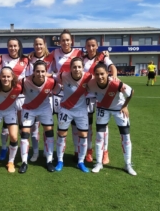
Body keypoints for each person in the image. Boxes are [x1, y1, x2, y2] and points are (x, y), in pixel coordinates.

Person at [87, 62, 136, 176]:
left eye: (102, 74)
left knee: (125, 136)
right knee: (99, 136)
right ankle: (99, 163)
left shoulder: (115, 83)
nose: (100, 77)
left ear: (107, 73)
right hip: (102, 109)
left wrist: (124, 106)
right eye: (97, 74)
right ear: (94, 75)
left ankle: (127, 164)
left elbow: (131, 92)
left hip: (119, 109)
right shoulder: (91, 83)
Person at [49, 29, 84, 164]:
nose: (65, 42)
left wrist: (104, 56)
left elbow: (90, 62)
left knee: (76, 126)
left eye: (67, 40)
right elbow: (45, 65)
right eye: (63, 40)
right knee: (61, 126)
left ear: (71, 41)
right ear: (60, 41)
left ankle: (76, 151)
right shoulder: (54, 53)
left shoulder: (79, 53)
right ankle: (59, 156)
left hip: (76, 94)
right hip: (59, 94)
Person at [20, 60, 61, 173]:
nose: (40, 74)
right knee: (25, 133)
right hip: (29, 109)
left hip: (44, 109)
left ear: (46, 71)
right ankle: (24, 162)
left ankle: (49, 160)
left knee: (49, 132)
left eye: (43, 71)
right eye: (37, 71)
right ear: (33, 72)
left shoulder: (51, 82)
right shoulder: (24, 81)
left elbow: (58, 90)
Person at [82, 37, 117, 165]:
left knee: (103, 125)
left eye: (93, 45)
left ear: (97, 46)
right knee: (89, 125)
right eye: (88, 46)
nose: (91, 48)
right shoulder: (83, 59)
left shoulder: (103, 57)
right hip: (88, 96)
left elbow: (112, 67)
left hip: (102, 94)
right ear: (85, 47)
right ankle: (89, 151)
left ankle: (105, 152)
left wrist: (114, 77)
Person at [55, 57, 92, 173]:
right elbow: (50, 77)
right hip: (66, 110)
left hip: (81, 111)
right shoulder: (63, 76)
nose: (77, 69)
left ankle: (81, 161)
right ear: (70, 68)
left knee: (83, 135)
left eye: (79, 67)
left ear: (83, 68)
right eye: (74, 67)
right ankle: (60, 160)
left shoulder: (89, 77)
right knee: (62, 134)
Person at [0, 38, 31, 161]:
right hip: (6, 98)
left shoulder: (26, 60)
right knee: (6, 126)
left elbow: (29, 77)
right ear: (7, 47)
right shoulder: (2, 58)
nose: (13, 48)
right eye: (10, 46)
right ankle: (4, 148)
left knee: (22, 126)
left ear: (19, 47)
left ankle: (23, 151)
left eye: (15, 46)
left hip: (21, 97)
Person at [0, 67, 23, 173]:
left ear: (12, 77)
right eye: (3, 76)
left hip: (10, 111)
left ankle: (11, 162)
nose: (6, 79)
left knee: (14, 136)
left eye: (8, 76)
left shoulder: (18, 87)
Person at [26, 36, 55, 162]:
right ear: (33, 45)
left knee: (47, 127)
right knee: (34, 128)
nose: (38, 46)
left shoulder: (51, 57)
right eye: (36, 44)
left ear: (44, 45)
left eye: (40, 44)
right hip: (32, 96)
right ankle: (36, 152)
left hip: (46, 96)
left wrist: (48, 75)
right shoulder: (29, 58)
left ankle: (47, 152)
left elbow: (57, 73)